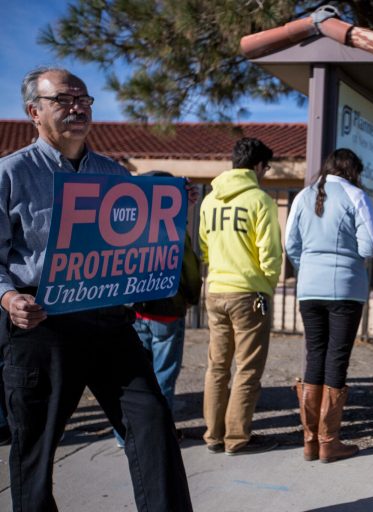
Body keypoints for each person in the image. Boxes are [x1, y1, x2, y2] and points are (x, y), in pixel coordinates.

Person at [0, 67, 193, 511]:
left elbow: (136, 245)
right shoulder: (11, 174)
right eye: (63, 100)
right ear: (34, 111)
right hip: (41, 325)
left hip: (109, 322)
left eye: (83, 99)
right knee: (35, 448)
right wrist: (10, 298)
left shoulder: (113, 174)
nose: (77, 107)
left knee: (152, 420)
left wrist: (168, 211)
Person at [285, 148, 373, 463]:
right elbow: (371, 245)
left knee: (314, 356)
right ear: (353, 171)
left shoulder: (303, 196)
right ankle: (329, 442)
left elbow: (290, 244)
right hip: (346, 289)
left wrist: (309, 267)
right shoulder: (356, 195)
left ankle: (310, 441)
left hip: (309, 287)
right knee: (336, 359)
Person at [199, 137, 282, 456]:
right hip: (249, 291)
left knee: (217, 367)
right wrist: (268, 283)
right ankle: (236, 438)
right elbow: (270, 251)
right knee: (247, 368)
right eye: (266, 168)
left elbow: (204, 246)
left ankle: (213, 435)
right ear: (258, 166)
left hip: (216, 289)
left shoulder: (210, 200)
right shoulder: (260, 200)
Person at [113, 170, 203, 448]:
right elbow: (190, 270)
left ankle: (124, 433)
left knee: (133, 377)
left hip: (136, 310)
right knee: (163, 376)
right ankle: (158, 434)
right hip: (167, 312)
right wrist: (191, 297)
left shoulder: (130, 228)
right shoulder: (172, 230)